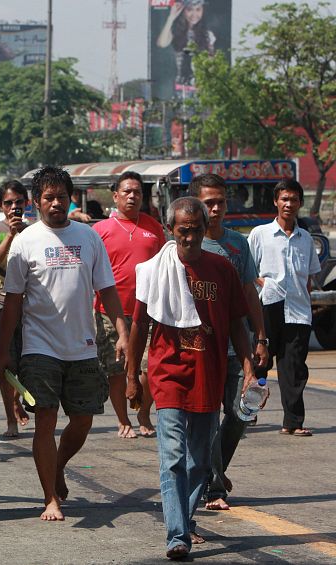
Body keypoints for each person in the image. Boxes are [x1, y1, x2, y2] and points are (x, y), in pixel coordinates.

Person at [0, 166, 128, 522]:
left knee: (83, 420)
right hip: (40, 348)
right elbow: (12, 302)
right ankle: (49, 497)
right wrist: (6, 351)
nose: (56, 203)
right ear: (36, 202)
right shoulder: (25, 242)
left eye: (62, 197)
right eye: (49, 197)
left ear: (71, 200)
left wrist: (123, 331)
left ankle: (57, 466)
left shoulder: (88, 237)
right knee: (45, 421)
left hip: (83, 346)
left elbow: (107, 289)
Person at [127, 197, 255, 560]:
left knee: (199, 462)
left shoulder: (222, 269)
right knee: (172, 457)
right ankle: (177, 535)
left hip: (208, 375)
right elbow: (140, 324)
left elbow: (236, 323)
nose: (190, 237)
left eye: (196, 230)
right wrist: (133, 375)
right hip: (167, 375)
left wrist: (247, 367)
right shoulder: (155, 269)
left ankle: (184, 516)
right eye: (183, 231)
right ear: (171, 230)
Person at [189, 174, 269, 511]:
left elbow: (250, 292)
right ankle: (215, 486)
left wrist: (262, 337)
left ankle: (212, 473)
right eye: (209, 202)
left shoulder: (239, 244)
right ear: (197, 205)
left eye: (221, 201)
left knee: (242, 412)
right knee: (205, 420)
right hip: (201, 348)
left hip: (239, 346)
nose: (217, 208)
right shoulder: (187, 244)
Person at [93, 171, 165, 439]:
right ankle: (123, 420)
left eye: (137, 192)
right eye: (127, 191)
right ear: (116, 196)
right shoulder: (100, 231)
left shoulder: (153, 227)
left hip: (147, 312)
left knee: (149, 369)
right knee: (116, 370)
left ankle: (143, 412)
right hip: (110, 314)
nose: (132, 196)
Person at [248, 179, 320, 437]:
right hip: (268, 307)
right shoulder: (260, 234)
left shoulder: (305, 239)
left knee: (294, 369)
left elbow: (309, 279)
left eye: (294, 199)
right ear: (276, 202)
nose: (289, 204)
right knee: (261, 365)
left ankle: (293, 422)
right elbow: (248, 270)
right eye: (284, 199)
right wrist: (264, 285)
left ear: (300, 203)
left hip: (298, 313)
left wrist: (304, 300)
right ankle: (249, 412)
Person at [0, 179, 31, 437]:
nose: (14, 207)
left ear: (27, 203)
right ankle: (10, 418)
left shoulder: (34, 231)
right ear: (2, 206)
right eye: (9, 203)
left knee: (28, 361)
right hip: (0, 302)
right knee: (5, 363)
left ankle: (20, 402)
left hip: (29, 305)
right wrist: (11, 234)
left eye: (19, 202)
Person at [156, 0, 216, 90]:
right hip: (182, 86)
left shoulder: (208, 35)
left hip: (202, 87)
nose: (194, 14)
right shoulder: (175, 31)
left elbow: (212, 64)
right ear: (183, 11)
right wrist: (171, 18)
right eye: (189, 10)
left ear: (203, 10)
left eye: (198, 9)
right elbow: (161, 43)